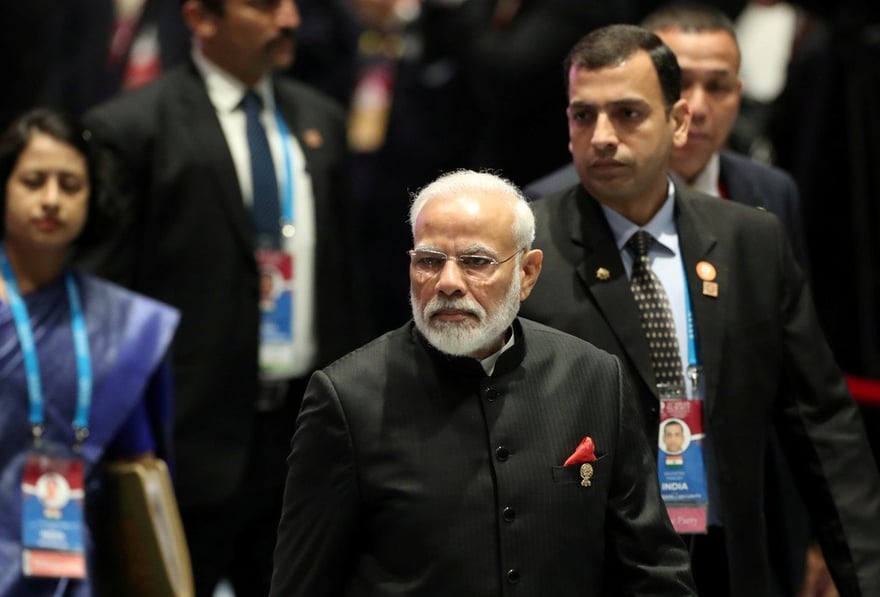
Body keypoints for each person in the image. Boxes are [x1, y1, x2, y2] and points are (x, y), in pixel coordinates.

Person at [518, 24, 880, 596]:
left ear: (676, 122)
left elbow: (823, 430)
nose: (601, 137)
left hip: (728, 556)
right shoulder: (526, 248)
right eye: (583, 116)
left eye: (627, 114)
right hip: (589, 568)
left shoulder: (750, 240)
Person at [269, 169, 697, 596]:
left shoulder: (595, 378)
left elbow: (653, 568)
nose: (449, 283)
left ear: (527, 273)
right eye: (429, 261)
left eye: (476, 262)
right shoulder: (347, 398)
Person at [78, 0, 366, 594]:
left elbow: (345, 275)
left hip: (301, 436)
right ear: (201, 18)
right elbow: (104, 303)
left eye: (291, 4)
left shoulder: (322, 120)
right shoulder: (132, 128)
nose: (289, 19)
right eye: (264, 6)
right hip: (187, 439)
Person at [0, 108, 179, 595]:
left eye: (70, 185)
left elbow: (138, 472)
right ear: (2, 188)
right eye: (34, 181)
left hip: (76, 575)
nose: (51, 200)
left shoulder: (123, 323)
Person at [524, 3, 808, 270]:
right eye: (680, 83)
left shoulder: (773, 192)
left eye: (717, 86)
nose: (696, 108)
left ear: (738, 93)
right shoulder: (545, 208)